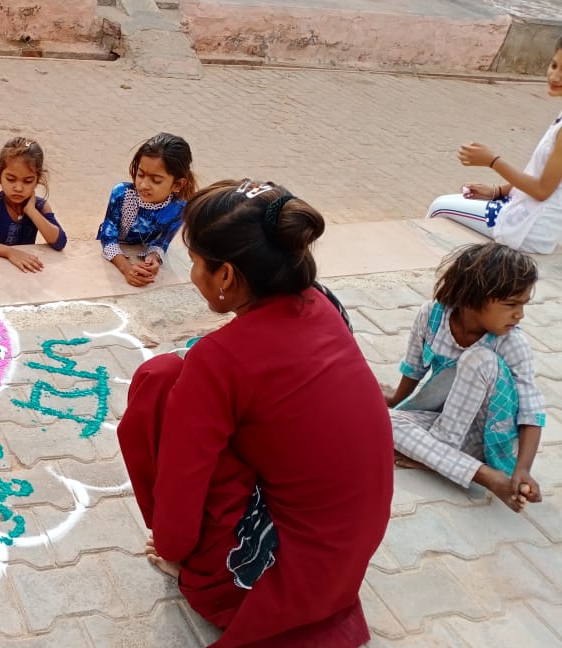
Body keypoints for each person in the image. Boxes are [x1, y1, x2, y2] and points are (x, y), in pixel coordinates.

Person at [118, 179, 393, 646]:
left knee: (160, 380)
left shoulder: (219, 360)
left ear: (225, 276)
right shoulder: (324, 303)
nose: (192, 275)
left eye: (196, 263)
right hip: (343, 562)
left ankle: (194, 568)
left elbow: (184, 482)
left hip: (268, 581)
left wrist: (175, 549)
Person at [386, 243, 544, 512]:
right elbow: (414, 368)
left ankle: (463, 466)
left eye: (522, 304)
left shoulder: (511, 343)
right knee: (382, 421)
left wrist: (523, 469)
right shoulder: (431, 316)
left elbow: (532, 411)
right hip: (442, 421)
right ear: (474, 296)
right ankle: (470, 470)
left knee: (478, 357)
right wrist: (395, 400)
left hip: (485, 437)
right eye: (511, 304)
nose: (520, 315)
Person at [426, 38, 562, 253]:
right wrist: (497, 191)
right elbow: (543, 176)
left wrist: (492, 161)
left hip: (528, 227)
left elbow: (543, 190)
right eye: (554, 65)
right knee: (453, 202)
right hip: (527, 215)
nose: (555, 76)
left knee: (439, 207)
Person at [96, 133, 195, 287]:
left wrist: (153, 258)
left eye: (156, 180)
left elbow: (162, 241)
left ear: (177, 185)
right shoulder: (122, 195)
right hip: (119, 247)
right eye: (140, 174)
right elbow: (108, 237)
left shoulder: (179, 207)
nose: (142, 185)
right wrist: (126, 268)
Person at [0, 137, 66, 272]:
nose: (18, 188)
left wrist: (32, 211)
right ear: (0, 177)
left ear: (37, 181)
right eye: (11, 179)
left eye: (28, 181)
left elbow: (60, 242)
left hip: (23, 273)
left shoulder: (40, 206)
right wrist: (9, 252)